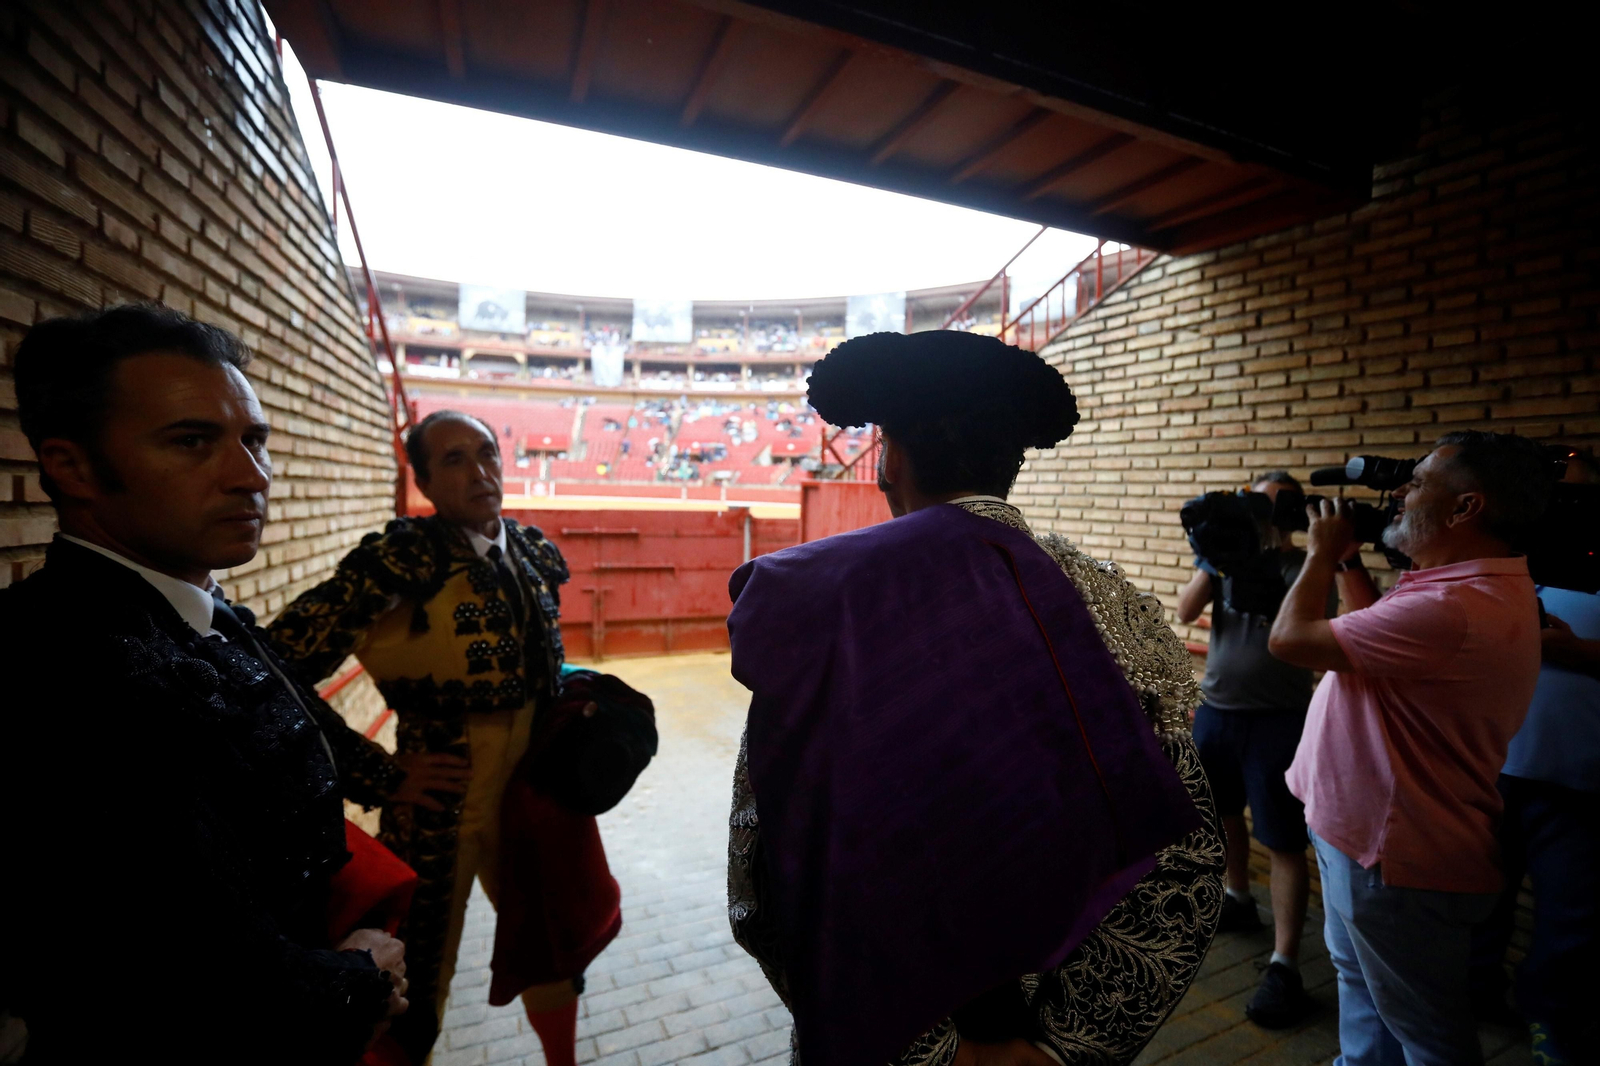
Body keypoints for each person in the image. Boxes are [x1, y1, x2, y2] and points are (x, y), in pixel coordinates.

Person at [726, 331, 1224, 1066]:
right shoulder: (1114, 598)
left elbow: (772, 866)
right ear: (1012, 461)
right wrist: (1060, 1051)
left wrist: (935, 1053)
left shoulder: (831, 597)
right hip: (1054, 1025)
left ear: (891, 458)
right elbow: (1183, 859)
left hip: (885, 1037)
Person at [0, 306, 407, 1064]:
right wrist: (360, 980)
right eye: (192, 442)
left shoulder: (193, 605)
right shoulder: (71, 669)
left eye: (254, 441)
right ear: (72, 466)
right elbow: (177, 982)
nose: (251, 477)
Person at [266, 410, 619, 1066]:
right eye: (453, 460)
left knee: (548, 946)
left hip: (529, 797)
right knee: (412, 974)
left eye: (486, 453)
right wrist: (380, 774)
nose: (479, 470)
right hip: (435, 805)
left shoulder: (532, 551)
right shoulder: (399, 560)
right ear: (425, 483)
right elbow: (273, 666)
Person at [1270, 430, 1553, 1065]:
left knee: (1429, 1039)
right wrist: (1347, 563)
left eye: (1418, 482)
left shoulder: (1455, 605)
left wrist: (1318, 555)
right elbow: (1370, 646)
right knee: (1366, 997)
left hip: (1393, 856)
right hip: (1365, 841)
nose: (1399, 493)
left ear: (1465, 508)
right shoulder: (1463, 585)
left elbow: (1291, 641)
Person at [1175, 471, 1342, 1028]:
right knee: (1223, 817)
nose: (1263, 519)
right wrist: (1214, 557)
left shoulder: (1304, 567)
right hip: (1218, 713)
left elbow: (1313, 636)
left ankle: (1286, 963)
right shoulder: (1224, 556)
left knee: (1285, 839)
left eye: (1273, 508)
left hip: (1278, 721)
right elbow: (1183, 611)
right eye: (1256, 506)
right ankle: (1238, 897)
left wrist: (1273, 557)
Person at [1469, 449, 1600, 1062]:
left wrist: (1582, 656)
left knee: (1568, 915)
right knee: (1480, 897)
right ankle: (1474, 993)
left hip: (1577, 780)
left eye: (1576, 495)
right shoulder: (1516, 559)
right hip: (1494, 768)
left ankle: (1550, 1018)